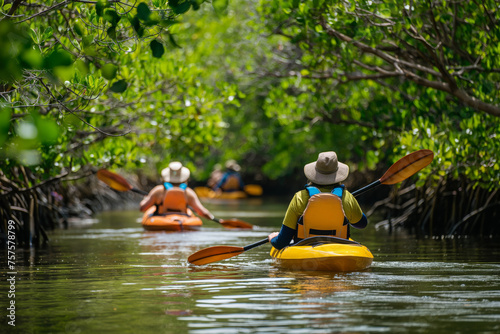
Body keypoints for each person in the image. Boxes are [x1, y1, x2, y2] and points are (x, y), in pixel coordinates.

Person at [268, 151, 368, 250]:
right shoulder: (347, 197)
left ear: (314, 174)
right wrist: (349, 207)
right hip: (338, 250)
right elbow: (362, 224)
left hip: (305, 250)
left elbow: (281, 243)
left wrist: (273, 238)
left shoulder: (299, 198)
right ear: (337, 175)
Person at [140, 161, 220, 222]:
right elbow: (202, 212)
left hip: (161, 220)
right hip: (183, 221)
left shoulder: (158, 191)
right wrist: (214, 219)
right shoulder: (188, 193)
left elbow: (143, 208)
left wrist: (145, 199)